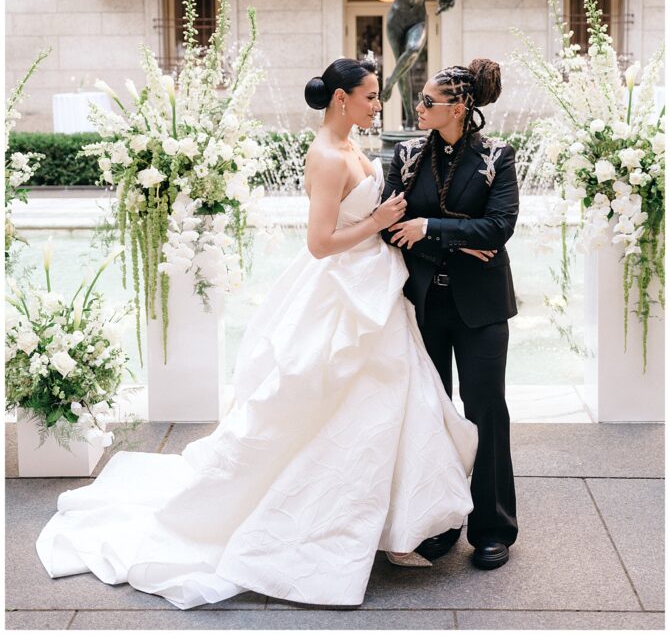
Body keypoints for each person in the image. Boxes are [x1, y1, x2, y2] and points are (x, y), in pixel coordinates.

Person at [36, 57, 477, 610]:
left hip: (374, 287)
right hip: (342, 289)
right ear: (342, 100)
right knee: (343, 402)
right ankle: (321, 528)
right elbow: (319, 243)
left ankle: (389, 526)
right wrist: (376, 220)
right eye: (369, 97)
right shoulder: (324, 156)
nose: (377, 105)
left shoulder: (352, 148)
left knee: (392, 402)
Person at [380, 59, 519, 570]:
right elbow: (387, 225)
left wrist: (431, 230)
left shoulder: (498, 156)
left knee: (486, 413)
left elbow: (500, 227)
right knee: (431, 414)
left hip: (481, 307)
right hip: (422, 304)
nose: (418, 108)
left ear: (459, 107)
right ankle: (436, 524)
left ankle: (493, 527)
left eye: (428, 102)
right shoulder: (408, 154)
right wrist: (461, 236)